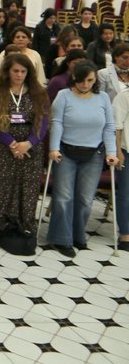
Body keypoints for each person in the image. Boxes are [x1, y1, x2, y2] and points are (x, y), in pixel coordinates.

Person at [0, 53, 50, 248]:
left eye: (23, 71)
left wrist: (29, 143)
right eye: (15, 71)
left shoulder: (38, 93)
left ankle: (20, 224)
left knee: (25, 187)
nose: (19, 75)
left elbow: (43, 123)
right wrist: (12, 143)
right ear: (7, 71)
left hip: (29, 149)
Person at [46, 62, 118, 257]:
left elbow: (109, 127)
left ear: (95, 80)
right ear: (74, 79)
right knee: (63, 197)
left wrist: (112, 152)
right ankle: (61, 239)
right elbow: (57, 123)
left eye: (90, 80)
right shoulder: (63, 96)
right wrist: (53, 148)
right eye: (81, 80)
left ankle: (78, 235)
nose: (85, 84)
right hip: (66, 152)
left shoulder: (103, 98)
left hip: (93, 154)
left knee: (86, 199)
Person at [111, 88, 129, 252]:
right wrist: (118, 151)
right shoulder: (124, 96)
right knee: (125, 193)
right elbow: (116, 127)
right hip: (126, 150)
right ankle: (125, 233)